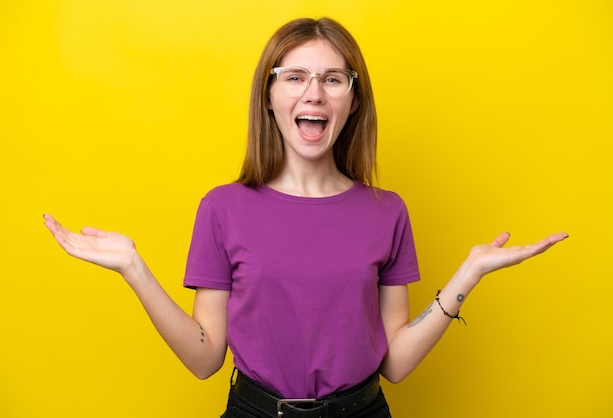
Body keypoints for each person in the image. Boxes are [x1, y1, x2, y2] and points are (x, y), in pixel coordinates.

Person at [43, 17, 568, 418]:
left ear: (353, 99)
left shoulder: (387, 212)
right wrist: (134, 267)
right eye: (294, 76)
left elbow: (397, 363)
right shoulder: (223, 208)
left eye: (333, 79)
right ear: (269, 97)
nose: (313, 92)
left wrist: (467, 274)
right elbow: (206, 359)